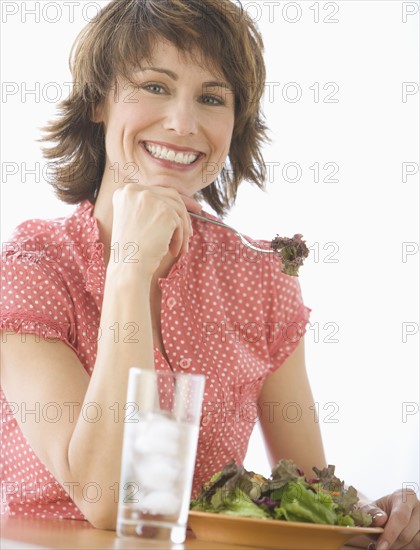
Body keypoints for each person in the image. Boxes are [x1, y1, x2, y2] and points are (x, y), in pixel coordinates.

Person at [0, 0, 418, 547]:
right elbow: (107, 500)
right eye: (154, 86)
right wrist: (129, 268)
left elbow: (310, 496)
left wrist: (374, 515)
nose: (183, 122)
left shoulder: (263, 276)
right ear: (99, 101)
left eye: (212, 97)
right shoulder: (33, 270)